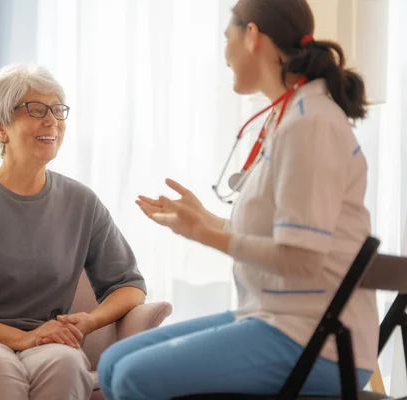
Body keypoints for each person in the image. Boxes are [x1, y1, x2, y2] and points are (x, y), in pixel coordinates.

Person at [97, 0, 377, 398]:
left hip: (316, 341)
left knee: (132, 377)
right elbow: (279, 239)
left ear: (251, 36)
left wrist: (205, 235)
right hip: (275, 318)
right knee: (110, 364)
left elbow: (303, 259)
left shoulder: (310, 124)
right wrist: (205, 220)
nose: (224, 53)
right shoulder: (288, 116)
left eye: (227, 37)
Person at [0, 64, 147, 400]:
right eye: (35, 110)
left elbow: (129, 287)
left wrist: (89, 322)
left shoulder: (81, 202)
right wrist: (20, 338)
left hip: (42, 339)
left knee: (68, 363)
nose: (51, 120)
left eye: (57, 110)